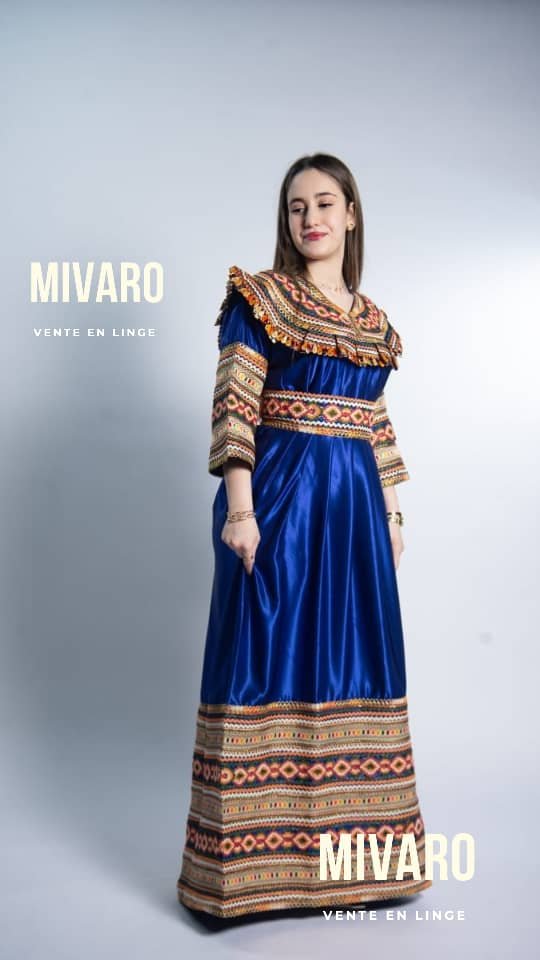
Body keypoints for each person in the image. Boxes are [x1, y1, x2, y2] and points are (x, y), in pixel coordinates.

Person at [176, 153, 432, 919]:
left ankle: (357, 868)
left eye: (324, 203)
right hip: (280, 500)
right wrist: (241, 511)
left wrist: (392, 514)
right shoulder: (259, 299)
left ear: (351, 213)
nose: (310, 218)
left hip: (354, 513)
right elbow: (234, 406)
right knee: (264, 657)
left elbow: (375, 423)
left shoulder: (373, 322)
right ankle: (247, 878)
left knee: (356, 657)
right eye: (296, 207)